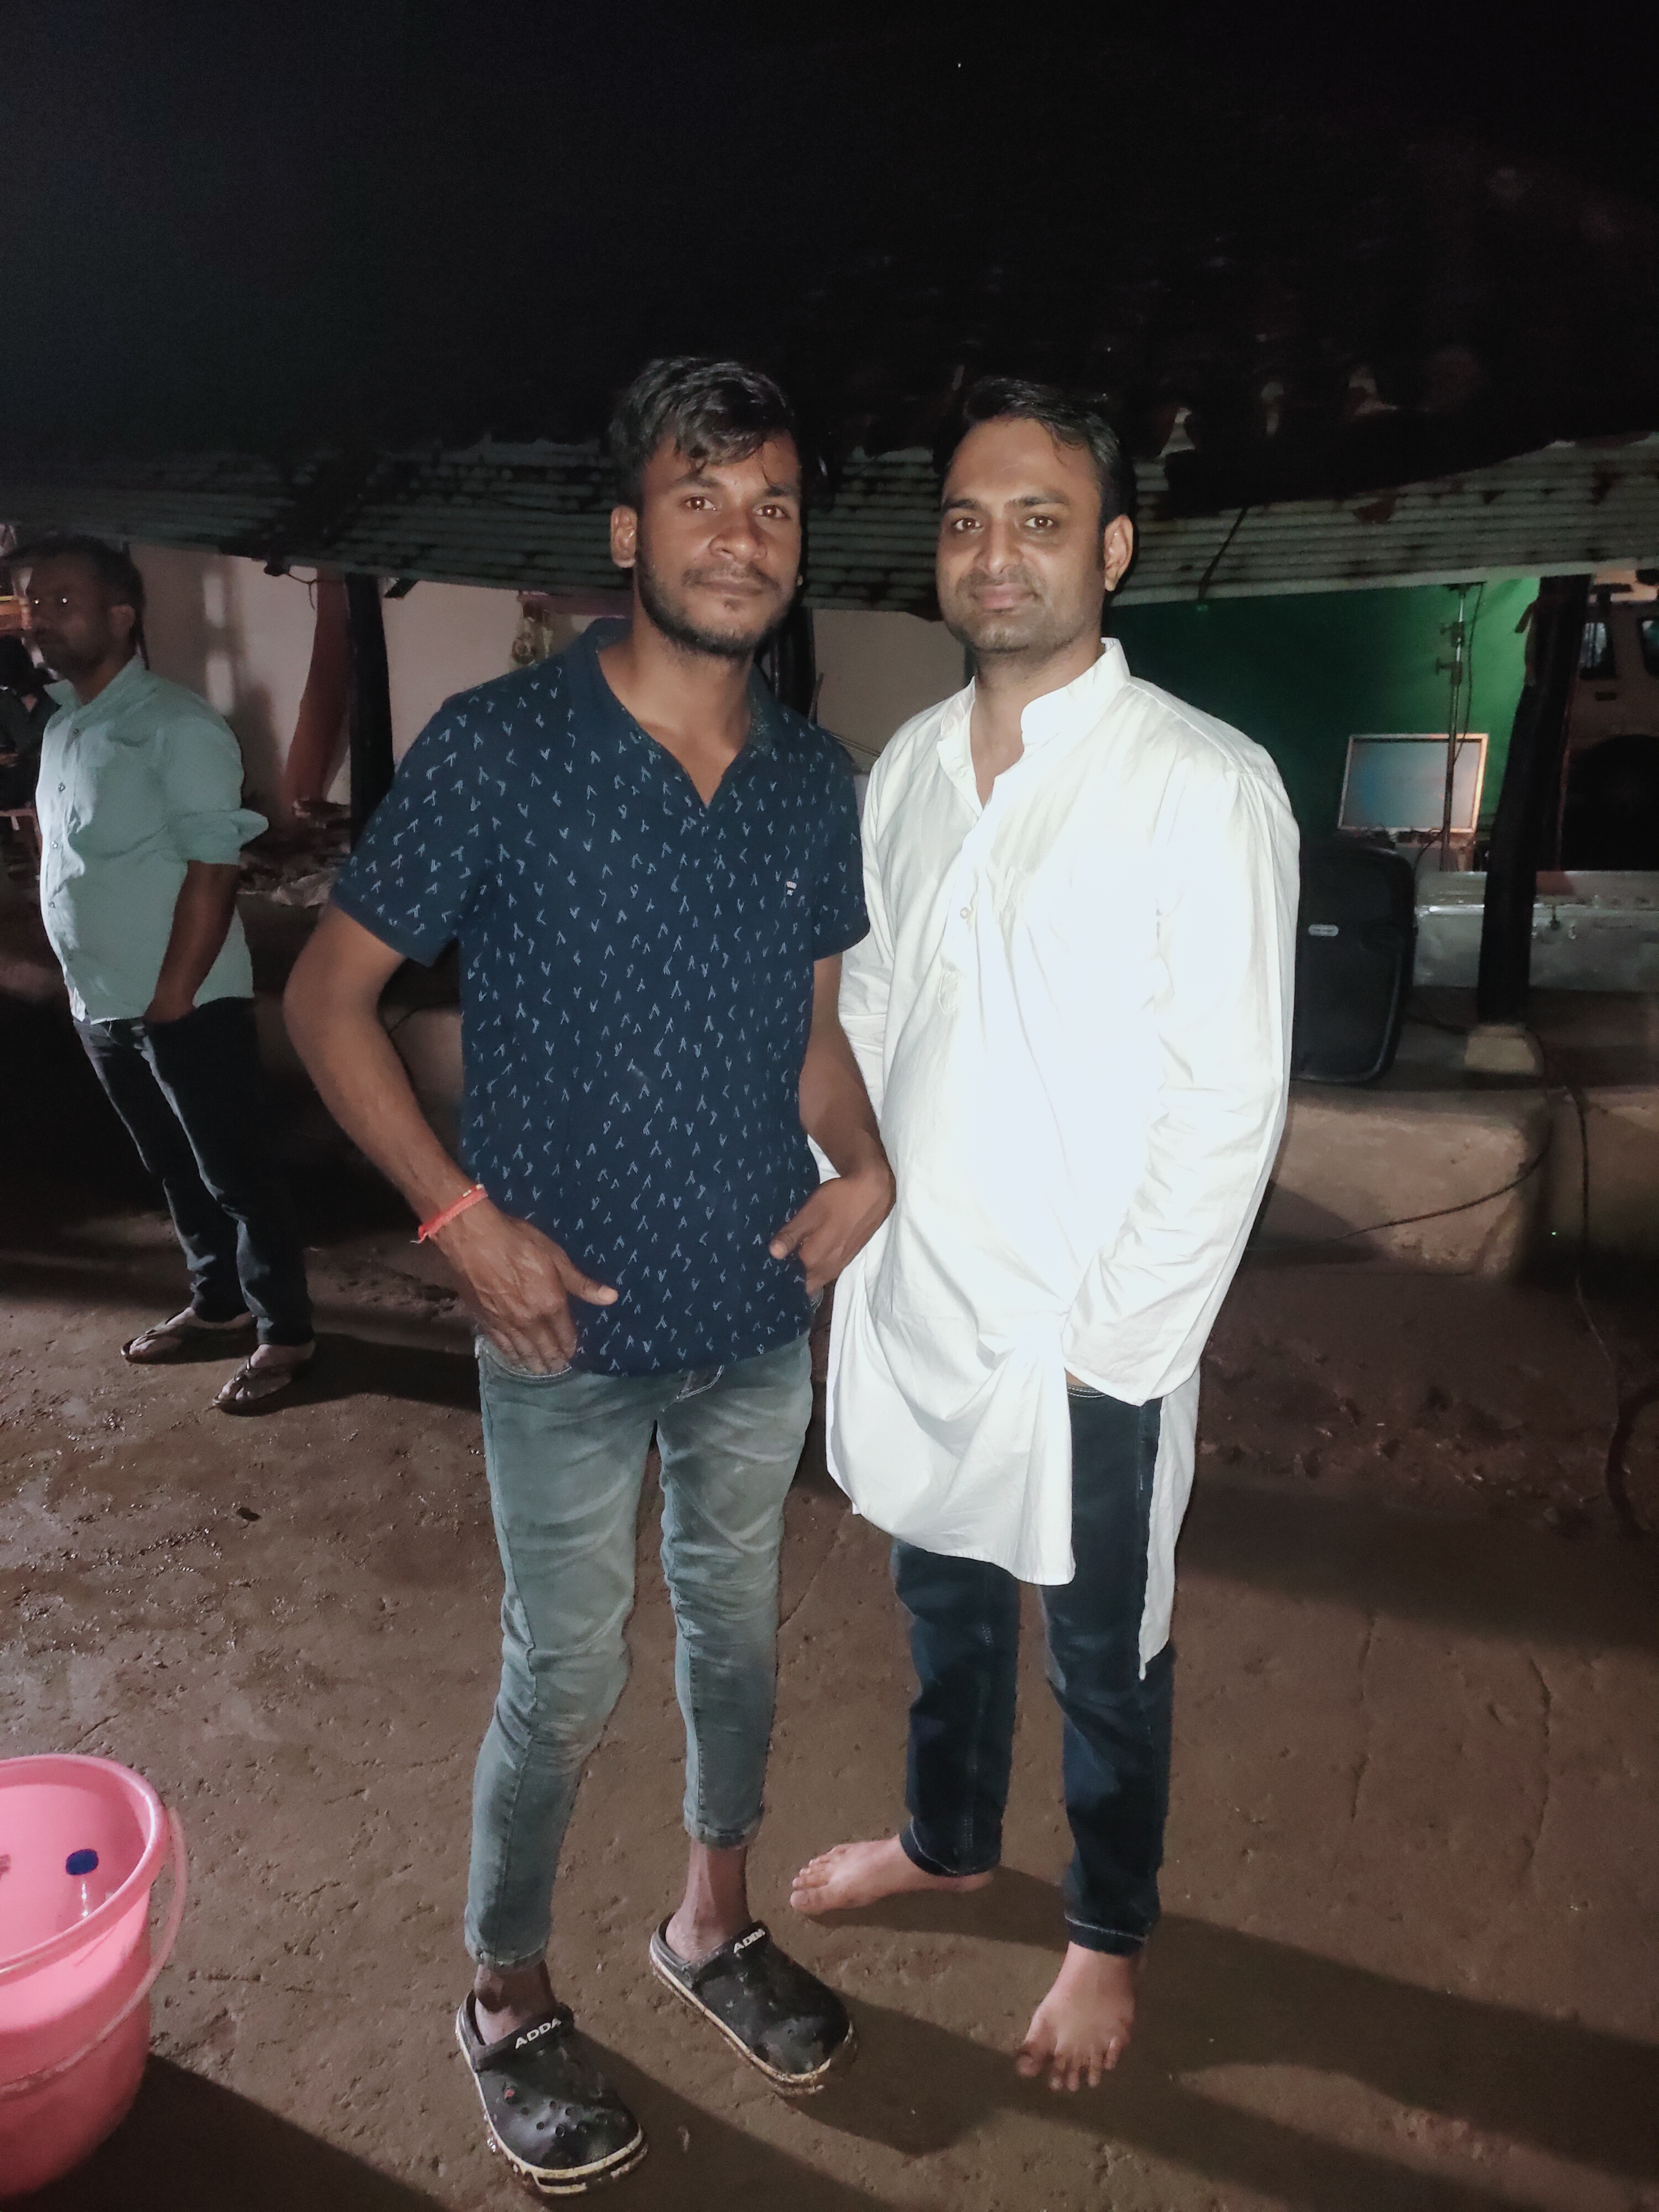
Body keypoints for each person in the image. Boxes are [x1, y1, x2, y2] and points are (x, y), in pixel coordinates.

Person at [284, 358, 893, 2194]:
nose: (742, 535)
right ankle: (506, 1998)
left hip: (750, 1316)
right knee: (563, 1674)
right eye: (701, 498)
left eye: (774, 505)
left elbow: (811, 1039)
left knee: (738, 1639)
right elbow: (328, 1001)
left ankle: (710, 1922)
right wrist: (460, 1223)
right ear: (628, 531)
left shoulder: (815, 782)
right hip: (557, 1328)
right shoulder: (503, 747)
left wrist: (870, 1166)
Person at [790, 379, 1298, 2092]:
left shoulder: (1201, 785)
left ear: (1114, 550)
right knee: (939, 1598)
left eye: (1039, 520)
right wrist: (848, 1204)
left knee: (1103, 1658)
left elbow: (1229, 1104)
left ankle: (1105, 1933)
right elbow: (862, 1016)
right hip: (922, 1295)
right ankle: (946, 1841)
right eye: (966, 521)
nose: (995, 554)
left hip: (1086, 1330)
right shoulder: (908, 776)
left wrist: (1117, 1346)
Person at [25, 534, 315, 1408]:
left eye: (63, 600)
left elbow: (213, 869)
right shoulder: (63, 726)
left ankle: (286, 1332)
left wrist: (174, 995)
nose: (40, 617)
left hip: (183, 1002)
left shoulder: (176, 726)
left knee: (235, 1173)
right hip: (100, 1002)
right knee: (172, 1166)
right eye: (34, 601)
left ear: (122, 617)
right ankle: (218, 1302)